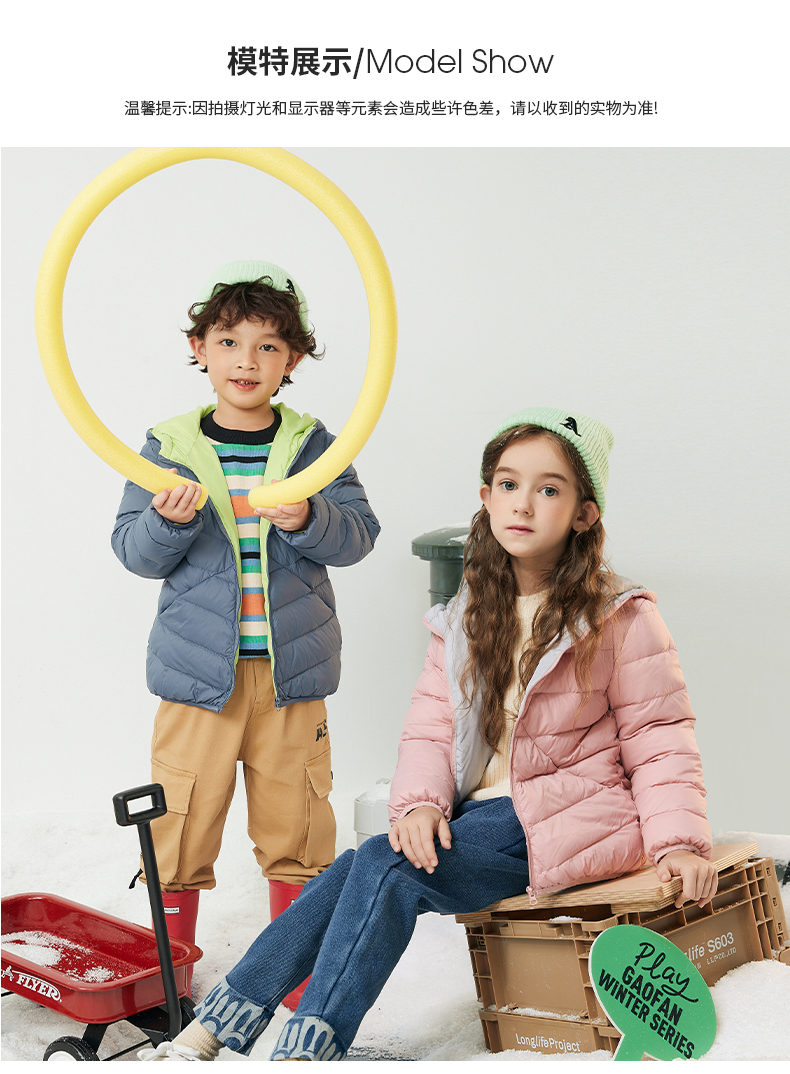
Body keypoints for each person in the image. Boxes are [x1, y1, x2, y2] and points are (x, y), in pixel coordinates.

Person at [139, 405, 717, 1062]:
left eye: (549, 489)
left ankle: (302, 1051)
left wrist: (679, 844)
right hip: (483, 818)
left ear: (584, 513)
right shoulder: (467, 614)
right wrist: (419, 805)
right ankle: (214, 1031)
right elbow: (430, 730)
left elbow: (661, 737)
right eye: (508, 484)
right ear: (485, 497)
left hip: (566, 823)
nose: (523, 503)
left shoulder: (621, 617)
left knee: (384, 865)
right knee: (360, 864)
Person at [112, 261, 379, 1001]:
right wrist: (168, 523)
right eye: (229, 342)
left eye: (268, 346)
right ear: (199, 348)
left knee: (298, 829)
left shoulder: (315, 446)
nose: (246, 361)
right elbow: (133, 551)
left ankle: (292, 987)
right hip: (198, 681)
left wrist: (311, 516)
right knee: (179, 825)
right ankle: (169, 982)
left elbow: (359, 536)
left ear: (293, 360)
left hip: (292, 679)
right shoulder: (168, 446)